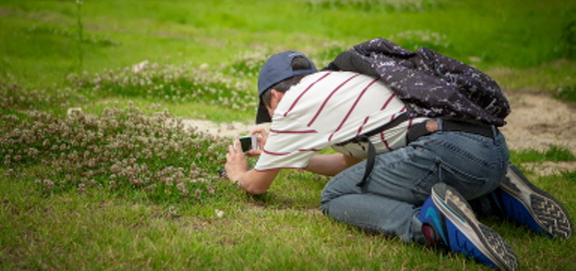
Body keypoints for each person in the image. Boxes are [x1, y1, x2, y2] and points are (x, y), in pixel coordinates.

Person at [224, 43, 572, 270]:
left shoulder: (291, 107)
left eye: (268, 112)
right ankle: (494, 196)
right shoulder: (345, 83)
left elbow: (255, 186)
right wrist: (288, 156)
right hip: (488, 148)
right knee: (355, 180)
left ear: (273, 97)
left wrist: (240, 173)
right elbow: (350, 164)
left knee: (335, 197)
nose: (271, 118)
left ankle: (430, 226)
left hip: (449, 152)